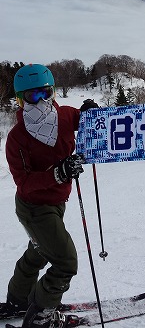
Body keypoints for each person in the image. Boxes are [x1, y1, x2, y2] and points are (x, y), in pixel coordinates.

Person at [0, 64, 98, 328]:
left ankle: (19, 299)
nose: (41, 101)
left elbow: (83, 120)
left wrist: (90, 113)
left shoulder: (64, 116)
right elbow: (24, 183)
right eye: (32, 96)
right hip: (33, 207)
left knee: (39, 250)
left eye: (46, 93)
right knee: (65, 260)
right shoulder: (17, 138)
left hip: (57, 202)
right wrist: (58, 172)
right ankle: (41, 315)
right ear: (20, 100)